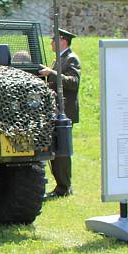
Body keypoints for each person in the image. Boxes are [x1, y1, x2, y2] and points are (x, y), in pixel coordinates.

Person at [39, 28, 81, 198]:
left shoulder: (71, 58)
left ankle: (64, 187)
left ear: (63, 40)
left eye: (53, 40)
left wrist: (52, 73)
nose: (51, 43)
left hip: (65, 113)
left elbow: (73, 83)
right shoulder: (60, 59)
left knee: (62, 152)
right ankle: (60, 186)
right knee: (55, 151)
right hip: (56, 111)